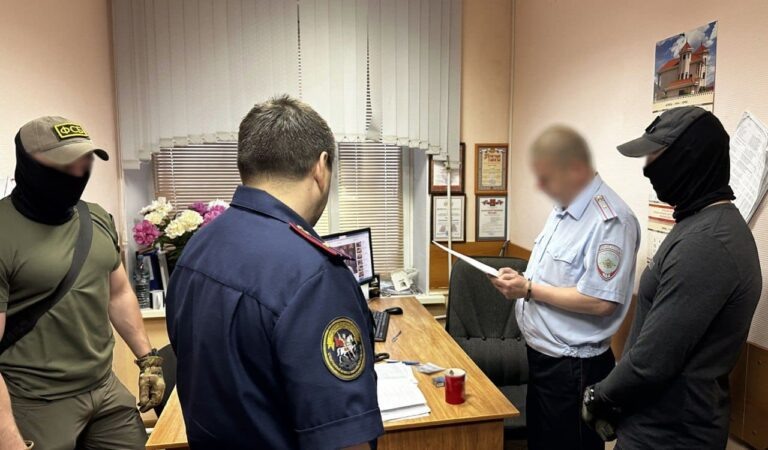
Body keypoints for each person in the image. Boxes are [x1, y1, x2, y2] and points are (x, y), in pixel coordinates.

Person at [165, 95, 383, 449]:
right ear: (321, 167)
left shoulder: (198, 247)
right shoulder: (314, 276)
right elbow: (343, 438)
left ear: (246, 166)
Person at [582, 107, 762, 449]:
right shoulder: (698, 224)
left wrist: (599, 396)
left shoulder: (708, 243)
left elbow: (653, 359)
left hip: (670, 437)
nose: (647, 168)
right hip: (654, 426)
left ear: (688, 159)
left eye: (656, 156)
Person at [0, 117, 165, 450]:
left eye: (85, 160)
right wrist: (7, 439)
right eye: (66, 163)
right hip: (35, 400)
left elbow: (118, 293)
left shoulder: (96, 217)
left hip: (104, 389)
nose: (78, 171)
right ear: (30, 163)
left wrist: (148, 360)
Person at [490, 125, 640, 450]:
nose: (541, 186)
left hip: (574, 369)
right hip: (544, 361)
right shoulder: (564, 210)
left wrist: (529, 289)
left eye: (547, 177)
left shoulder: (610, 220)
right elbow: (558, 278)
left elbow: (601, 302)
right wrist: (522, 281)